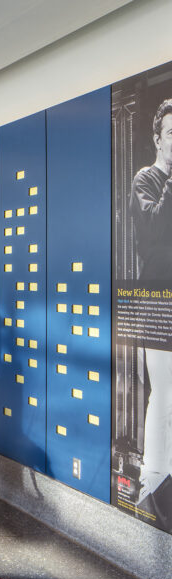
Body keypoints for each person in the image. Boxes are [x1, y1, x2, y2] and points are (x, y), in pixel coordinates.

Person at [133, 99, 172, 504]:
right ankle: (153, 477)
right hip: (156, 303)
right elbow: (153, 235)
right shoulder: (145, 180)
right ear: (158, 140)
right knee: (161, 389)